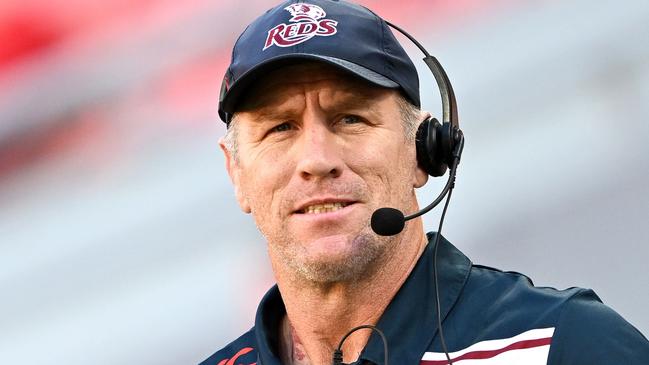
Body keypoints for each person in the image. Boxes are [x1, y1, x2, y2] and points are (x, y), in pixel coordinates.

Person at [201, 1, 649, 364]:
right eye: (280, 127)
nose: (317, 161)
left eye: (350, 118)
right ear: (236, 173)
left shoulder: (566, 344)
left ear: (423, 150)